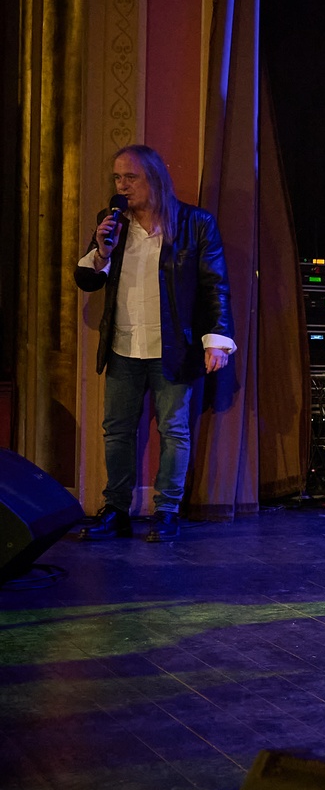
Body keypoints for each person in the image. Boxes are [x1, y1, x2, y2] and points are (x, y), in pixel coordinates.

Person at [73, 145, 234, 543]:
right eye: (117, 178)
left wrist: (216, 341)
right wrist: (102, 251)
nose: (122, 186)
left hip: (172, 347)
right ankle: (116, 511)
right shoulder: (112, 222)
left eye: (131, 177)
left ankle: (166, 512)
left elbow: (215, 285)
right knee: (117, 430)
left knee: (174, 430)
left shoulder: (195, 223)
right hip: (124, 345)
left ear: (155, 178)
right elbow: (87, 280)